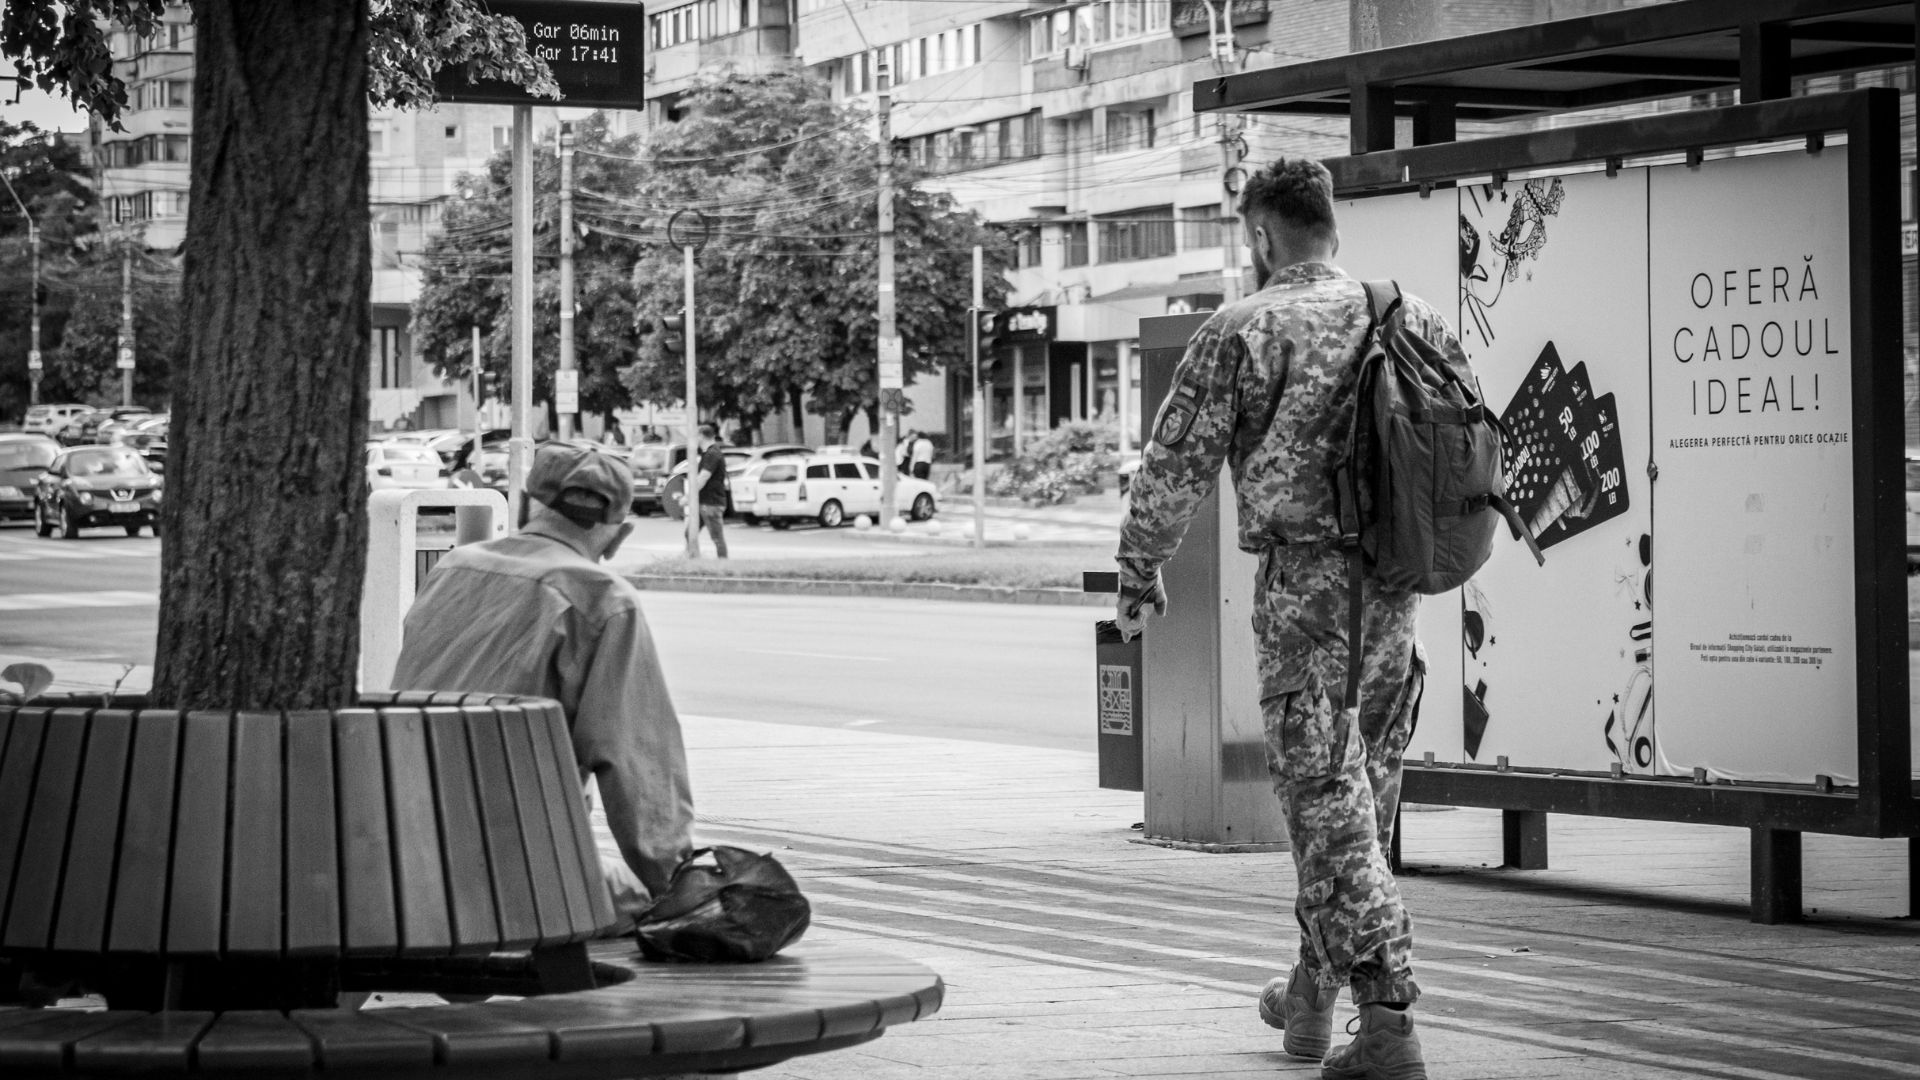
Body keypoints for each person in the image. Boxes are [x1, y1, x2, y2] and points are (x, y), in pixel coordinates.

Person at [1114, 158, 1442, 1080]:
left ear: (1262, 235)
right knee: (1357, 806)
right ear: (1329, 225)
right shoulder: (1405, 312)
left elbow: (1173, 465)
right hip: (1394, 595)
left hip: (1304, 599)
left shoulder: (1244, 327)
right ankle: (1311, 992)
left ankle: (1388, 1019)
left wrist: (1140, 566)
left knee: (1327, 805)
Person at [391, 442, 694, 918]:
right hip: (523, 875)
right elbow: (636, 768)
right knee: (640, 897)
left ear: (530, 503)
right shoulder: (602, 601)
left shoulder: (451, 568)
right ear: (620, 535)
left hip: (401, 853)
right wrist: (680, 887)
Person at [686, 422, 729, 558]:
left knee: (717, 537)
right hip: (704, 503)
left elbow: (703, 478)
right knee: (689, 533)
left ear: (701, 436)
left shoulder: (712, 454)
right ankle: (694, 559)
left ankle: (723, 564)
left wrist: (688, 497)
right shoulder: (708, 454)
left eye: (695, 436)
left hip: (711, 503)